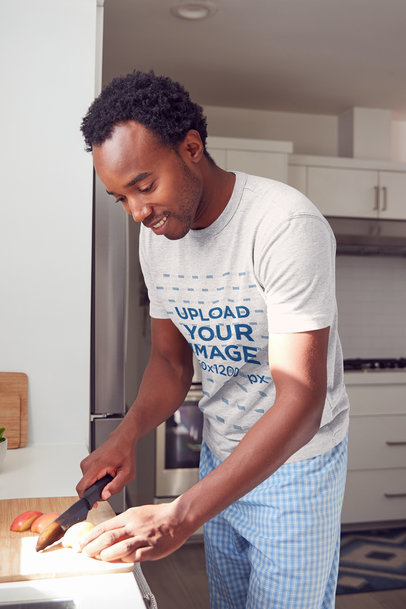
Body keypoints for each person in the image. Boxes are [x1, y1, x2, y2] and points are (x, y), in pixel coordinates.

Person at [76, 70, 349, 609]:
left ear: (192, 148)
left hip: (296, 467)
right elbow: (171, 364)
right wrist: (126, 434)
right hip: (220, 457)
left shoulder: (283, 225)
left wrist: (180, 514)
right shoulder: (158, 241)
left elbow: (302, 401)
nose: (137, 212)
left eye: (144, 185)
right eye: (120, 198)